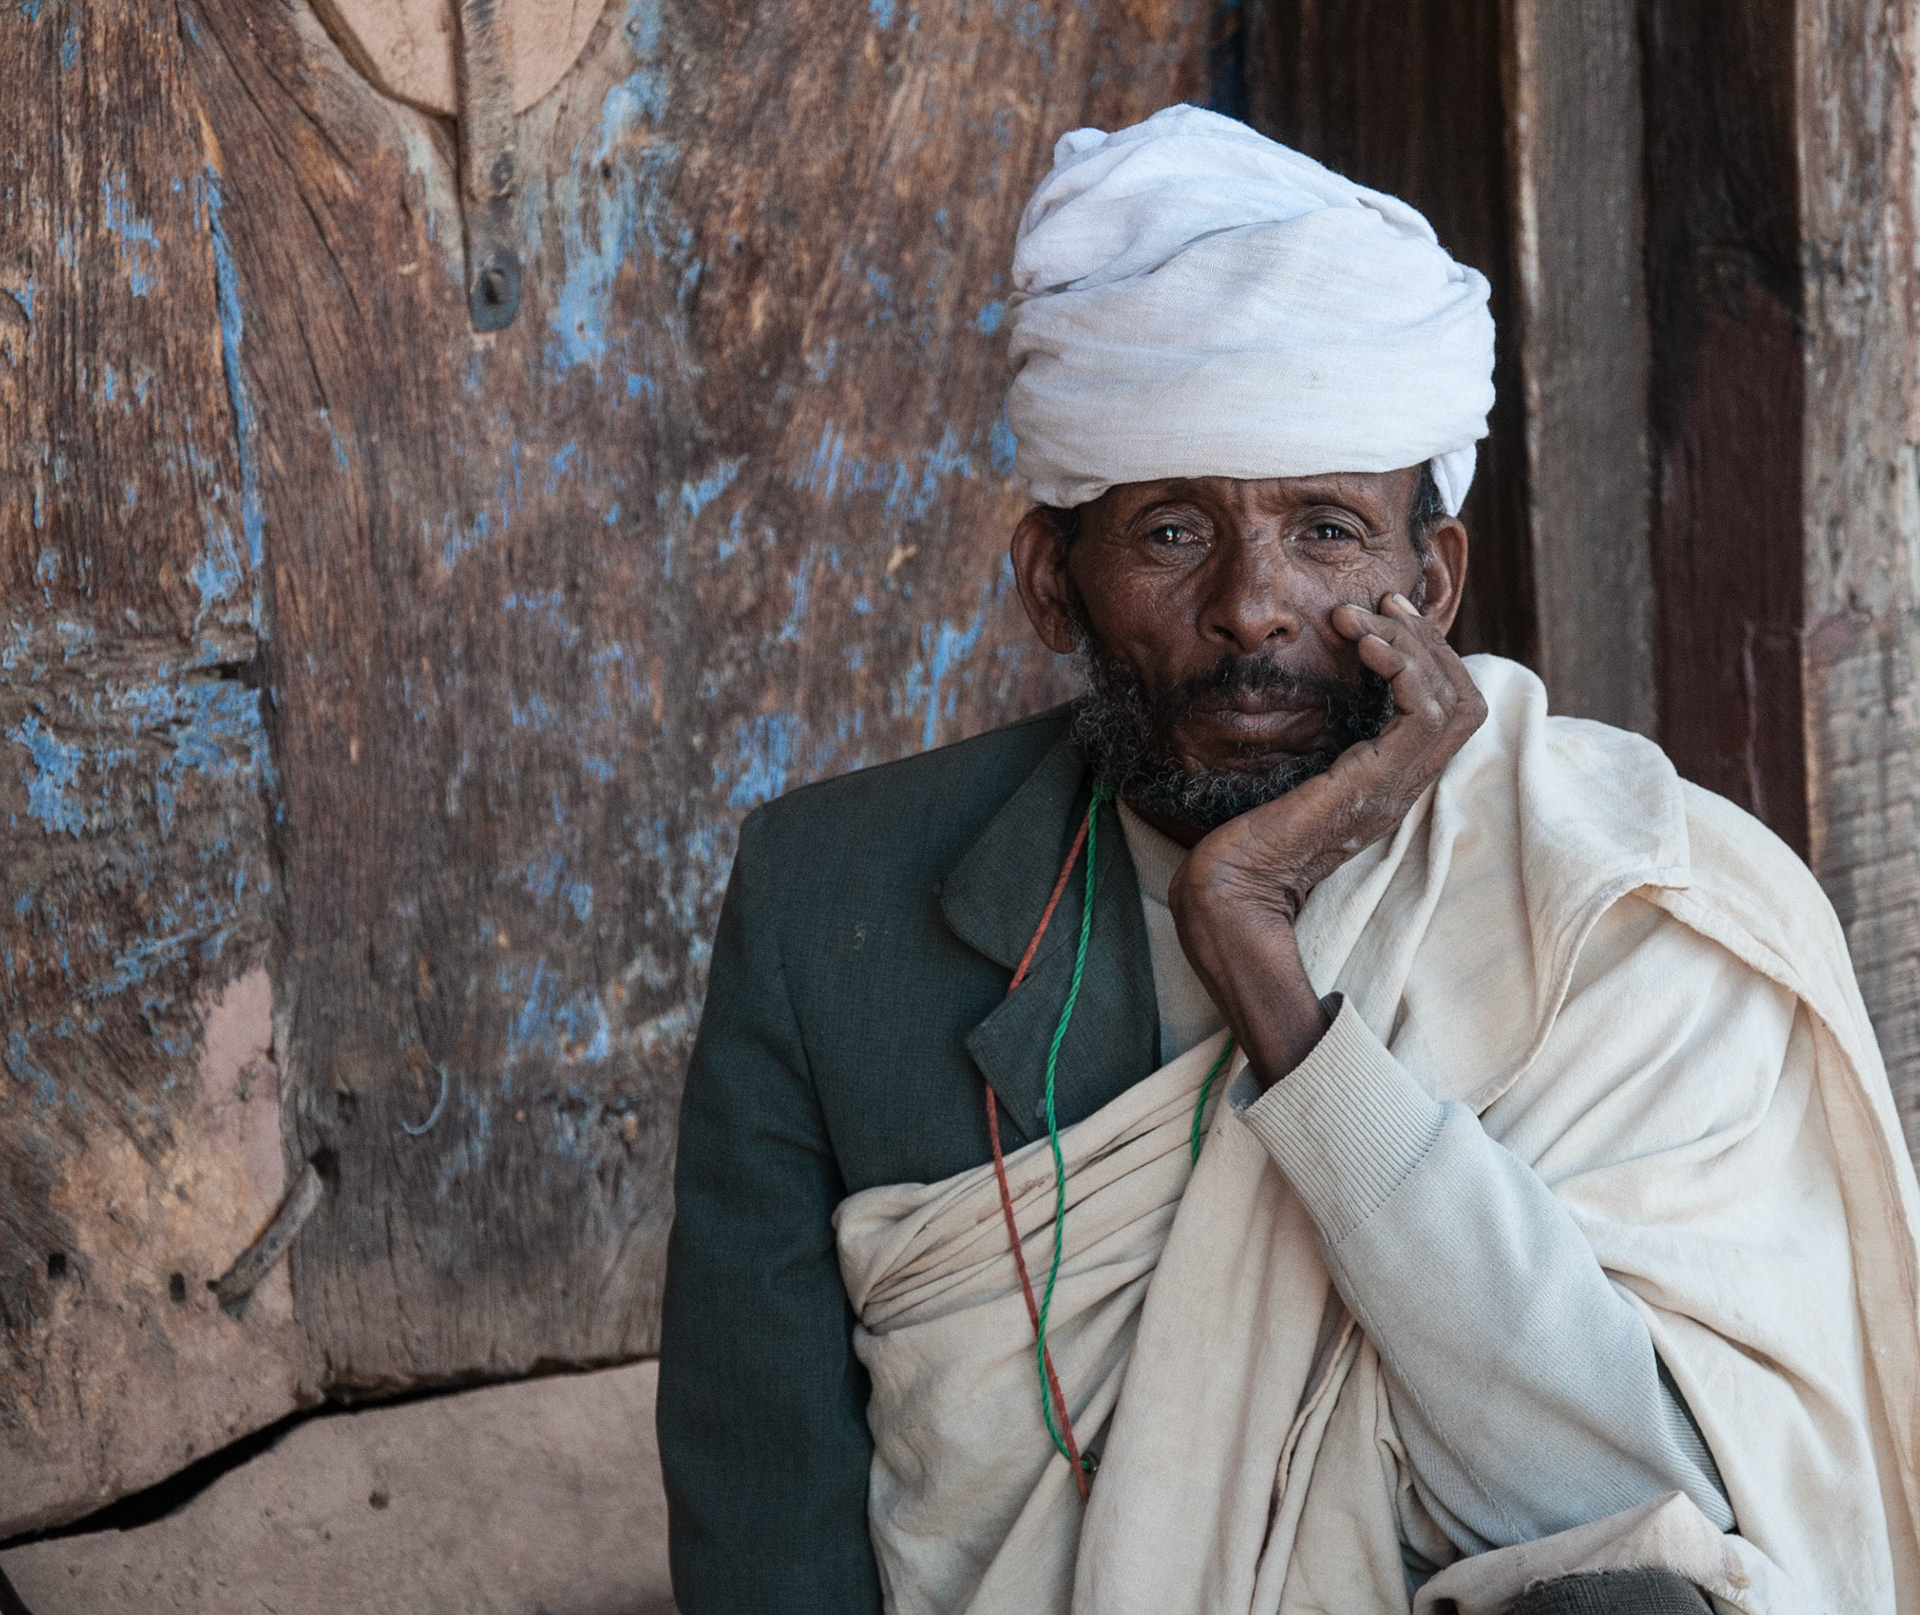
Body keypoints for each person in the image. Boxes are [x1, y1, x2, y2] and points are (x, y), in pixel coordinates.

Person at [657, 106, 1920, 1614]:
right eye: (1172, 533)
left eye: (1326, 531)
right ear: (1052, 584)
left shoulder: (1630, 905)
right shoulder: (832, 903)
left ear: (1430, 584)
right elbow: (765, 1518)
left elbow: (1631, 1499)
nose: (1252, 605)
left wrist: (1265, 967)